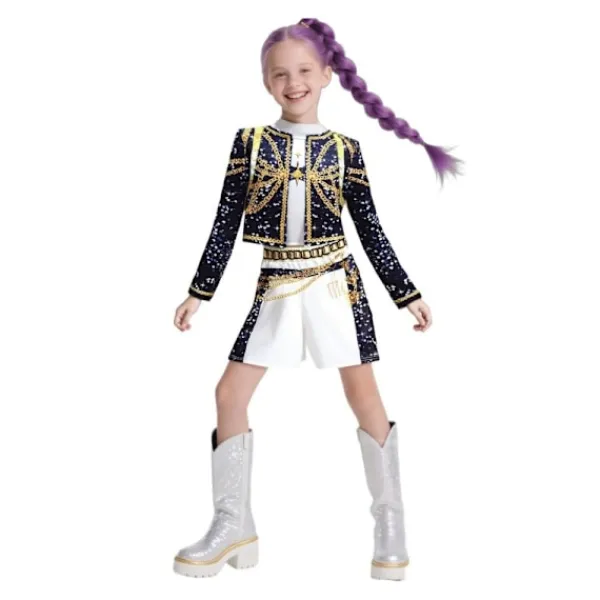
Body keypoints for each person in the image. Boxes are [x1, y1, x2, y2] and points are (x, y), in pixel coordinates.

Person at [172, 17, 462, 581]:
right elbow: (225, 221)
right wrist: (198, 292)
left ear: (327, 75)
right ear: (266, 81)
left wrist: (406, 293)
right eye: (280, 74)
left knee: (363, 396)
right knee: (229, 393)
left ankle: (390, 525)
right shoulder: (250, 143)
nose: (293, 82)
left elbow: (369, 229)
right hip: (275, 283)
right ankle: (233, 523)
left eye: (305, 70)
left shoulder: (346, 150)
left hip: (335, 285)